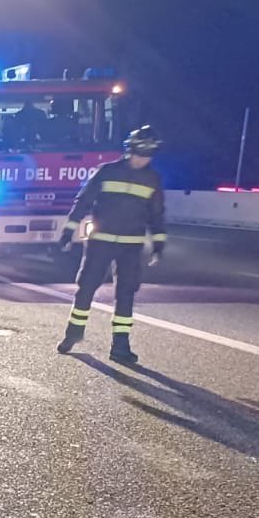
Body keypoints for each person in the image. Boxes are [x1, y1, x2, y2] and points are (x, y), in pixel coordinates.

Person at [56, 126, 166, 364]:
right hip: (101, 242)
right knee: (86, 287)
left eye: (147, 155)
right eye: (139, 153)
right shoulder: (107, 171)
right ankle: (73, 333)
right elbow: (84, 201)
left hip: (131, 245)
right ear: (130, 150)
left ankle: (120, 346)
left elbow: (157, 214)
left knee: (126, 292)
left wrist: (158, 244)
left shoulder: (153, 179)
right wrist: (68, 231)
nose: (142, 159)